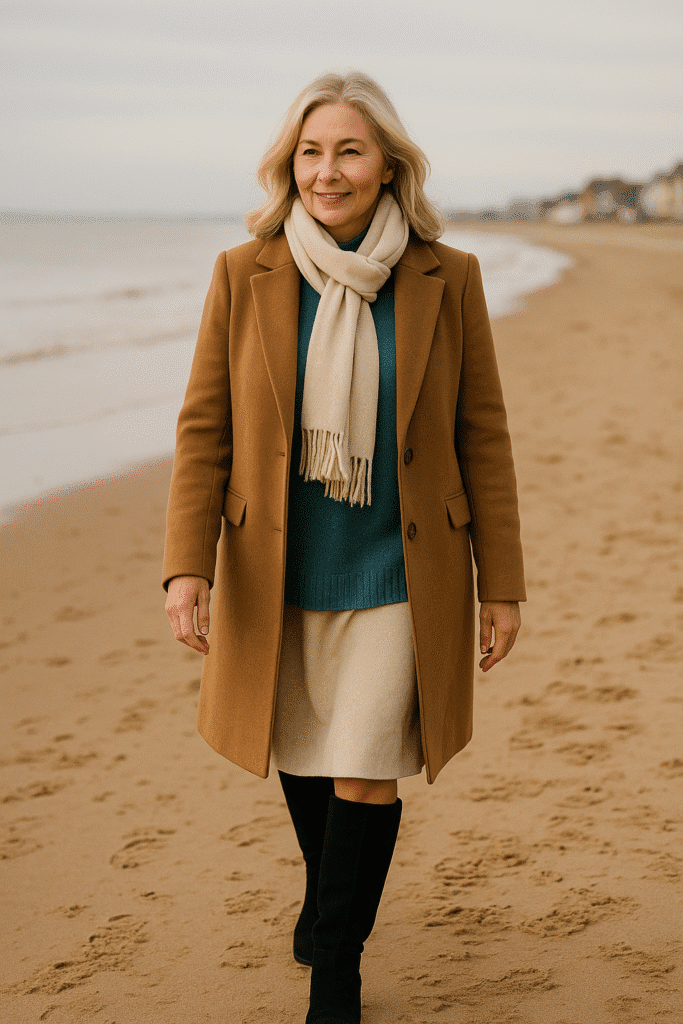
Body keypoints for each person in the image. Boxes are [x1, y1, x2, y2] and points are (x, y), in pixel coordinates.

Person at [163, 70, 525, 1024]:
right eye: (311, 151)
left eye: (350, 150)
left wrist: (504, 583)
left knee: (365, 762)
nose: (328, 171)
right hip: (273, 564)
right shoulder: (246, 274)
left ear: (389, 165)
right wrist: (185, 567)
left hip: (404, 567)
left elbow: (480, 432)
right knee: (305, 753)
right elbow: (206, 430)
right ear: (290, 165)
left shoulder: (449, 277)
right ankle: (326, 889)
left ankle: (336, 966)